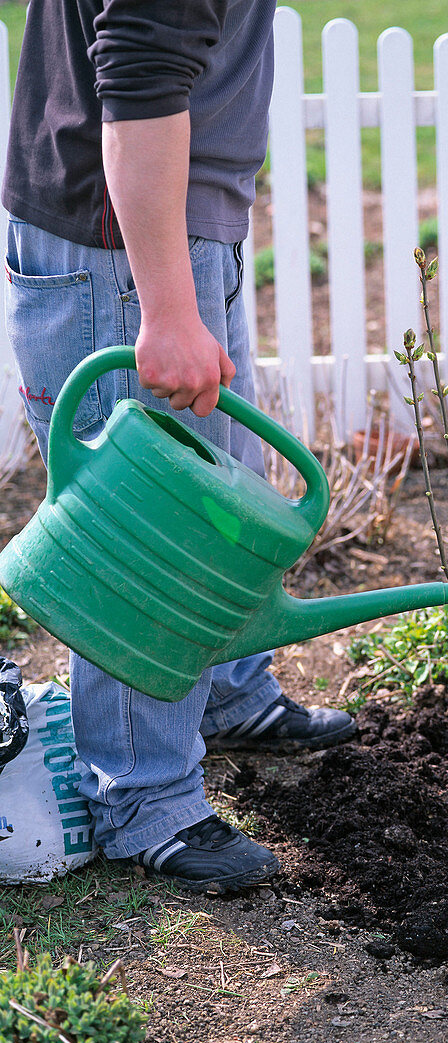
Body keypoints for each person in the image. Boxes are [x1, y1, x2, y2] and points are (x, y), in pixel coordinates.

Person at [2, 0, 355, 894]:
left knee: (216, 490)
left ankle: (231, 694)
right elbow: (140, 84)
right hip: (128, 248)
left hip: (164, 230)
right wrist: (165, 308)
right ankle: (145, 802)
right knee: (149, 542)